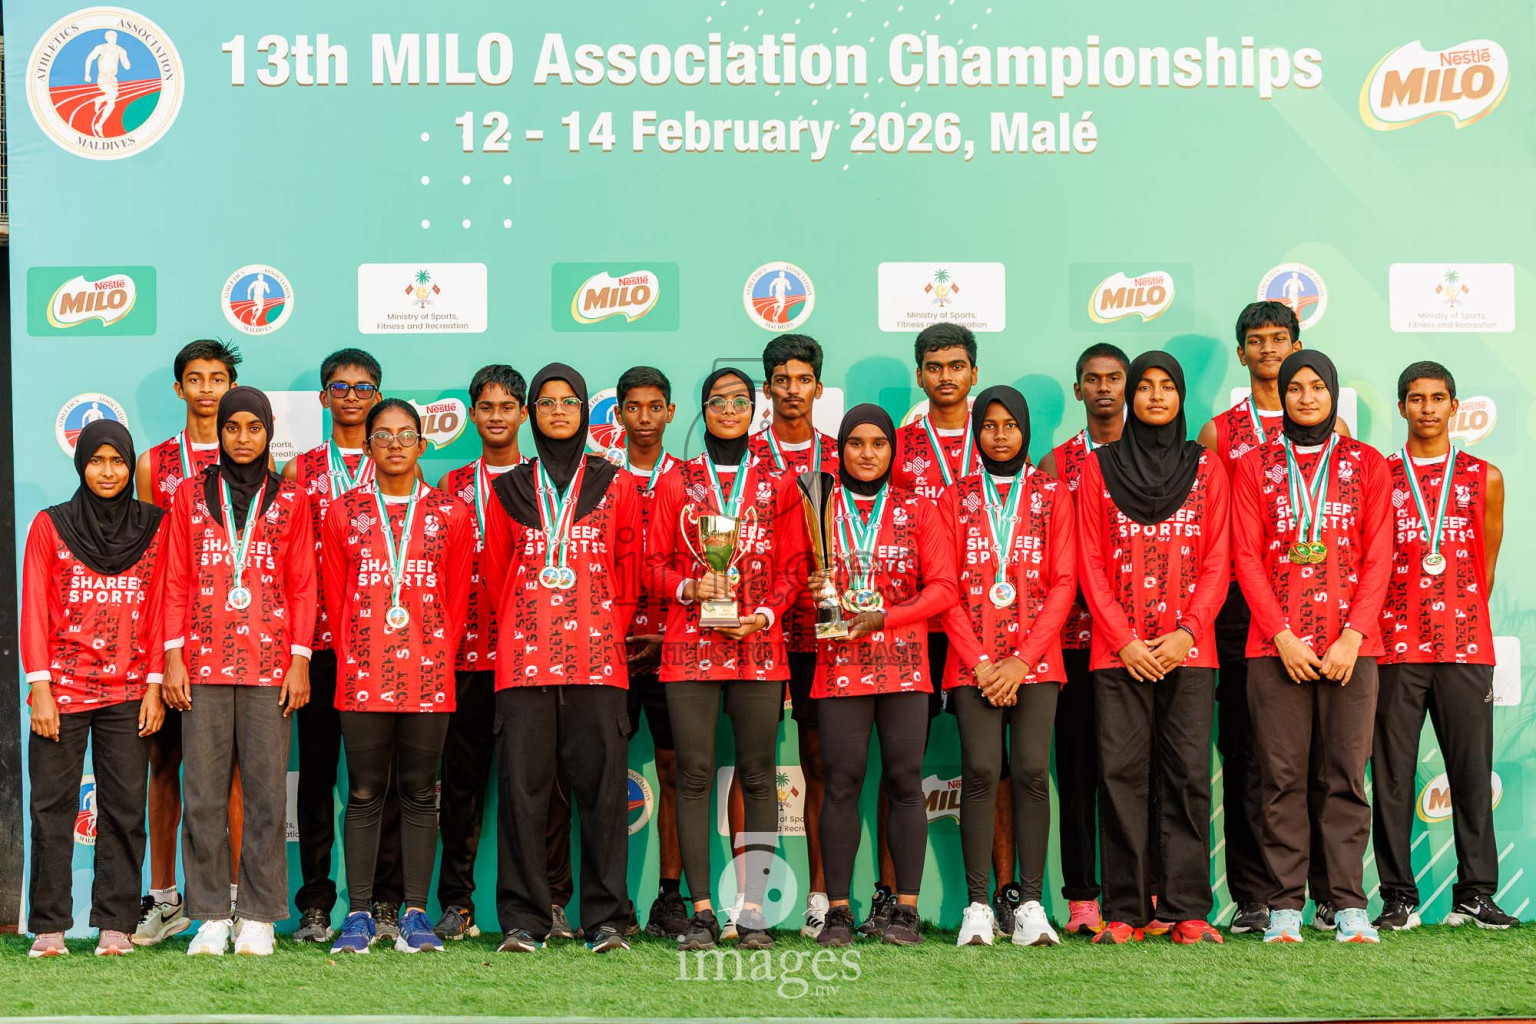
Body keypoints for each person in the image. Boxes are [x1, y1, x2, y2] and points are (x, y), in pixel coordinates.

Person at [1198, 302, 1350, 934]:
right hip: (1244, 615)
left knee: (1322, 760)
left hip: (1323, 611)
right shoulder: (1218, 432)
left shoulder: (1336, 428)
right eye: (1255, 341)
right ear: (1241, 354)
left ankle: (1328, 896)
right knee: (1248, 756)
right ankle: (1255, 896)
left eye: (1278, 339)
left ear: (1296, 346)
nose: (1267, 349)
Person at [481, 363, 642, 954]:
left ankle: (606, 919)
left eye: (568, 401)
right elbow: (496, 576)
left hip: (598, 662)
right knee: (523, 796)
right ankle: (525, 919)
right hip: (523, 662)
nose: (557, 411)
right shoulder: (509, 488)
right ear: (531, 413)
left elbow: (629, 573)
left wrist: (601, 630)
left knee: (603, 795)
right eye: (546, 402)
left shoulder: (616, 483)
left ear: (583, 411)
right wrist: (530, 625)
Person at [1232, 350, 1392, 944]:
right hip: (1275, 650)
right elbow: (1246, 558)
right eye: (1294, 387)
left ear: (1333, 394)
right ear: (1282, 394)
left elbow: (1379, 556)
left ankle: (1348, 904)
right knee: (1280, 782)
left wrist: (1353, 635)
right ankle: (1283, 908)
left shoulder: (1367, 463)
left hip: (1352, 650)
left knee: (1346, 778)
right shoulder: (1254, 465)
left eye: (1316, 387)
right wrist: (1281, 636)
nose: (1305, 397)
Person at [1075, 351, 1230, 946]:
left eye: (1168, 386)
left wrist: (1187, 631)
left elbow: (1219, 558)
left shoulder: (1207, 467)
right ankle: (1126, 911)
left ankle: (1188, 909)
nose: (1157, 396)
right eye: (1146, 387)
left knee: (1187, 776)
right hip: (1119, 654)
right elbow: (1089, 563)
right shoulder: (1100, 467)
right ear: (1131, 396)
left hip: (1190, 651)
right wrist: (1125, 640)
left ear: (1181, 396)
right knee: (1121, 778)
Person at [794, 404, 959, 948]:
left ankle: (905, 910)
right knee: (841, 783)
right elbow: (794, 578)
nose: (867, 453)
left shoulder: (918, 508)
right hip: (839, 663)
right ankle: (838, 910)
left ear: (893, 450)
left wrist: (886, 617)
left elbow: (943, 587)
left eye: (878, 444)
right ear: (840, 449)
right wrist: (813, 593)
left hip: (905, 663)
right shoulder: (818, 506)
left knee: (905, 782)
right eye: (856, 443)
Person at [161, 387, 315, 956]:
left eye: (254, 427)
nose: (243, 437)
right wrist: (173, 655)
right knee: (202, 794)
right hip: (201, 662)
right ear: (220, 432)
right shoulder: (189, 493)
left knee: (266, 795)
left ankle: (258, 915)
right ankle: (207, 915)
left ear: (268, 432)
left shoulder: (291, 497)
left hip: (270, 664)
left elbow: (303, 584)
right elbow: (175, 578)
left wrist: (299, 659)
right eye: (233, 427)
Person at [646, 367, 796, 951]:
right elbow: (652, 564)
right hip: (690, 646)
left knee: (758, 775)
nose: (729, 410)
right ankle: (703, 912)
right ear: (702, 409)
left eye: (739, 401)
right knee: (693, 774)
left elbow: (793, 568)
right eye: (717, 400)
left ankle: (753, 911)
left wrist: (764, 615)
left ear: (756, 410)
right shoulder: (677, 480)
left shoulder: (778, 482)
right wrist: (690, 588)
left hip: (758, 645)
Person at [323, 399, 473, 954]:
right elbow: (336, 597)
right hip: (362, 672)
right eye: (382, 435)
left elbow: (457, 599)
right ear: (368, 446)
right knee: (363, 794)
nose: (393, 444)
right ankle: (358, 914)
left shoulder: (451, 512)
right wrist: (358, 657)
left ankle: (414, 913)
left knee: (418, 793)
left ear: (422, 444)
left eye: (405, 435)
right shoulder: (343, 512)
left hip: (429, 674)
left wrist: (433, 653)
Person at [1371, 362, 1514, 930]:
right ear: (1401, 407)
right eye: (1416, 398)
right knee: (1392, 777)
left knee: (1472, 775)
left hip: (1464, 646)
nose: (1427, 408)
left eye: (1437, 398)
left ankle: (1475, 894)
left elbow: (1486, 567)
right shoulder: (1380, 476)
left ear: (1454, 406)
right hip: (1394, 647)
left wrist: (1456, 615)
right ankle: (1397, 898)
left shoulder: (1486, 477)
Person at [432, 364, 568, 942]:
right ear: (471, 415)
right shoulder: (451, 485)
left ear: (524, 414)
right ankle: (457, 904)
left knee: (544, 788)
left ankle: (552, 902)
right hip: (466, 658)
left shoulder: (546, 481)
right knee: (460, 789)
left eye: (507, 407)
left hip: (534, 656)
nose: (496, 417)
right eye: (485, 407)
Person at [885, 322, 1014, 934]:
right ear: (920, 375)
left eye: (956, 365)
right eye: (934, 366)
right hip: (912, 624)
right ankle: (892, 896)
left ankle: (1005, 893)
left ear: (974, 373)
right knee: (899, 762)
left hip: (986, 626)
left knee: (993, 764)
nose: (945, 376)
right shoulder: (898, 445)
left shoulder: (997, 435)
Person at [23, 421, 167, 957]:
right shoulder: (51, 524)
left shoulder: (155, 526)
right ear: (81, 464)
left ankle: (115, 924)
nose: (108, 472)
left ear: (130, 465)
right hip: (61, 691)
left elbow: (163, 609)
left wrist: (155, 686)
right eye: (96, 461)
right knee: (51, 808)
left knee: (125, 810)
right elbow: (34, 608)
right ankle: (49, 927)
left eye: (118, 461)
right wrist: (39, 686)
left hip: (130, 691)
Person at [940, 387, 1075, 947]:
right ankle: (977, 905)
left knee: (1031, 772)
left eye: (1010, 425)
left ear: (1024, 430)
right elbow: (943, 587)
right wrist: (981, 663)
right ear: (978, 432)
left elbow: (1064, 583)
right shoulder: (954, 496)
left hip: (1035, 662)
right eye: (989, 425)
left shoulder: (1053, 493)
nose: (1000, 435)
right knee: (978, 771)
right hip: (971, 662)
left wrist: (1020, 661)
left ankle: (1031, 906)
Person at [284, 348, 406, 944]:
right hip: (321, 649)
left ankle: (384, 900)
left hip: (384, 647)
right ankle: (315, 904)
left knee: (381, 781)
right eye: (340, 386)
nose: (352, 396)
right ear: (323, 397)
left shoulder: (397, 466)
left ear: (378, 395)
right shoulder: (300, 470)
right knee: (315, 777)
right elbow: (287, 561)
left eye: (363, 387)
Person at [132, 339, 245, 946]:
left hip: (236, 637)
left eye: (217, 378)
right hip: (171, 636)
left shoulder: (251, 459)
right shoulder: (154, 464)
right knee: (165, 765)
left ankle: (233, 899)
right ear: (179, 389)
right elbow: (153, 558)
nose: (206, 389)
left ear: (231, 387)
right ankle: (164, 897)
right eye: (195, 379)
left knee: (232, 775)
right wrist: (162, 647)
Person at [744, 334, 840, 938]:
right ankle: (748, 901)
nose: (792, 390)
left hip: (824, 631)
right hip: (754, 628)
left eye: (803, 379)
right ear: (768, 388)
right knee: (751, 763)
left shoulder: (842, 454)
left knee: (821, 763)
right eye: (781, 380)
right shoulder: (747, 456)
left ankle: (822, 896)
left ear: (818, 388)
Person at [1038, 342, 1127, 936]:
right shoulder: (1055, 463)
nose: (1103, 388)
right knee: (1075, 773)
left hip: (1134, 644)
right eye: (1092, 379)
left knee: (1133, 772)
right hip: (1072, 640)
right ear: (1078, 390)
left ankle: (1136, 893)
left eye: (1114, 378)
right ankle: (1082, 900)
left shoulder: (1154, 453)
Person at [612, 366, 689, 939]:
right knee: (601, 776)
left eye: (654, 406)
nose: (644, 417)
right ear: (618, 414)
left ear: (669, 412)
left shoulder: (689, 480)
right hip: (610, 649)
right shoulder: (598, 480)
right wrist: (608, 634)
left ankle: (669, 897)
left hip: (672, 647)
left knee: (676, 771)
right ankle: (608, 901)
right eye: (633, 407)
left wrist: (672, 635)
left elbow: (701, 568)